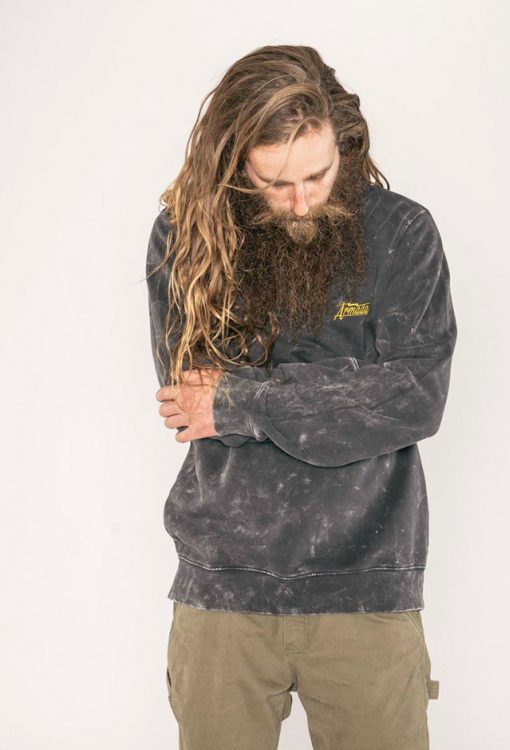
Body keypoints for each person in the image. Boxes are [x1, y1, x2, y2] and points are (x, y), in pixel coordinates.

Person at [146, 44, 457, 750]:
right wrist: (350, 381)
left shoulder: (402, 233)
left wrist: (241, 402)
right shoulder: (186, 237)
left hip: (366, 586)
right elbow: (188, 396)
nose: (302, 200)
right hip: (223, 585)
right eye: (275, 183)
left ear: (342, 143)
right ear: (236, 167)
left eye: (318, 174)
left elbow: (414, 396)